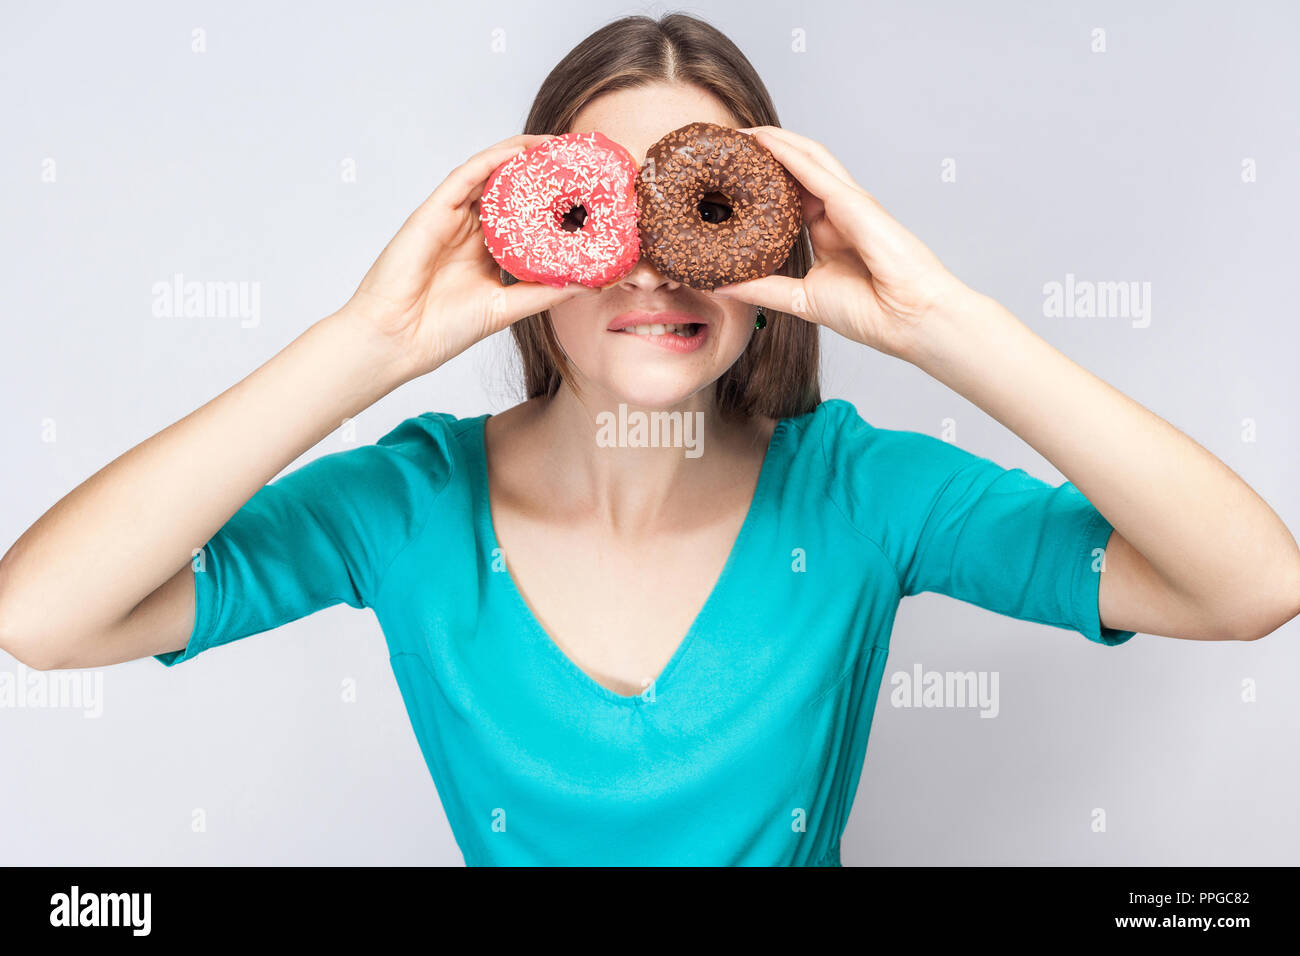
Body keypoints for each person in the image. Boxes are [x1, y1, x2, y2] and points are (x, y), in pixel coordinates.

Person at [2, 14, 1297, 866]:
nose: (654, 271)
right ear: (529, 238)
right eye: (600, 211)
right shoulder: (409, 508)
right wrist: (367, 344)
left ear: (772, 234)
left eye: (704, 207)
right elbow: (45, 618)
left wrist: (943, 322)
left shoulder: (859, 495)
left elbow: (1252, 585)